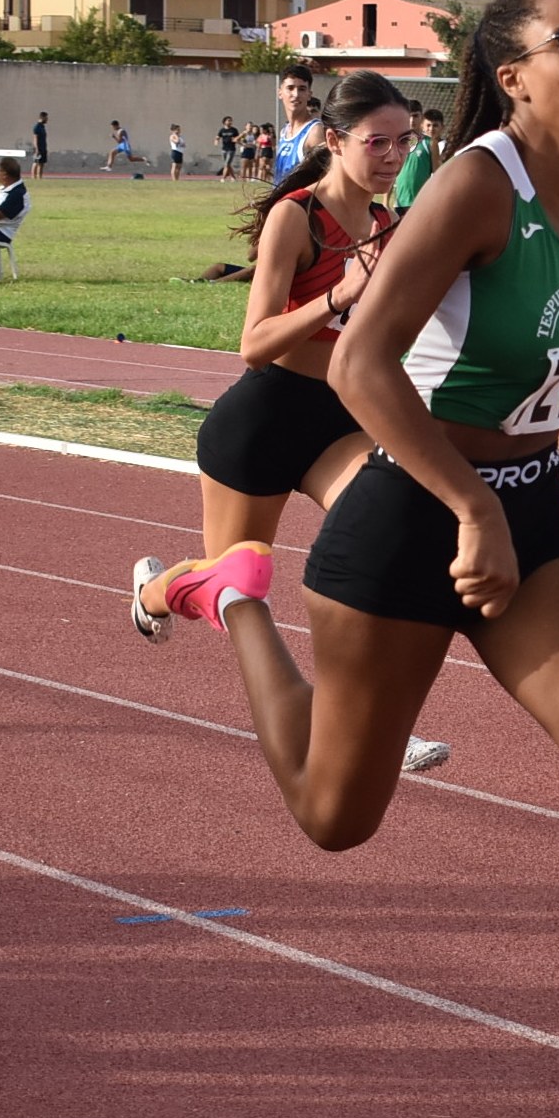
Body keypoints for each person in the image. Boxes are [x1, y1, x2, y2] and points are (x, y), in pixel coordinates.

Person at [139, 0, 559, 1118]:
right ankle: (234, 596)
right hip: (412, 515)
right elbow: (362, 363)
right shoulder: (476, 184)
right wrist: (468, 505)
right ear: (515, 76)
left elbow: (553, 333)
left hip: (526, 509)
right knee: (335, 817)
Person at [133, 72, 449, 775]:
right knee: (236, 586)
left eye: (404, 142)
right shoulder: (297, 218)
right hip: (262, 422)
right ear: (335, 140)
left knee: (390, 545)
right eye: (378, 142)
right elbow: (253, 343)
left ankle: (373, 725)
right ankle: (155, 591)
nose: (394, 156)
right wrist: (340, 293)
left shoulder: (387, 225)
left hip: (340, 420)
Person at [273, 64, 324, 184]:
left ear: (309, 94)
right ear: (280, 93)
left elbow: (327, 178)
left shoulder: (315, 131)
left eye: (302, 89)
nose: (296, 94)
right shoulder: (285, 131)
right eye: (290, 88)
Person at [392, 98, 440, 212]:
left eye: (415, 116)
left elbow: (437, 174)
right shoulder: (397, 143)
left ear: (422, 117)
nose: (412, 120)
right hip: (400, 202)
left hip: (421, 203)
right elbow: (392, 172)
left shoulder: (430, 143)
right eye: (409, 116)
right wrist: (385, 202)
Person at [31, 111, 49, 179]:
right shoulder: (37, 127)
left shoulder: (42, 127)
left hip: (43, 148)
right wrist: (37, 149)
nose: (47, 119)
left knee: (41, 163)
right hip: (38, 148)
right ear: (42, 117)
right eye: (46, 118)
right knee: (36, 163)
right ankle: (33, 177)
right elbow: (35, 139)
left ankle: (40, 177)